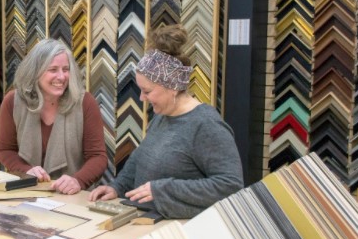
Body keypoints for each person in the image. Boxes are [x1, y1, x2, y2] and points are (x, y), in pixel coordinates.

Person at [88, 24, 243, 219]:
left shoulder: (206, 126)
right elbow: (139, 159)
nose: (142, 99)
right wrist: (117, 187)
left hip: (182, 232)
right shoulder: (161, 117)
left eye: (148, 91)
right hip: (149, 223)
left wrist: (164, 190)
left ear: (173, 87)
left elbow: (231, 185)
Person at [0, 39, 107, 195]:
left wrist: (77, 180)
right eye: (53, 70)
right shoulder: (13, 102)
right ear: (35, 72)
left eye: (66, 69)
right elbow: (5, 149)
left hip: (71, 197)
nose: (61, 77)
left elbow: (98, 157)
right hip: (26, 192)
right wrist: (26, 170)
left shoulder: (85, 103)